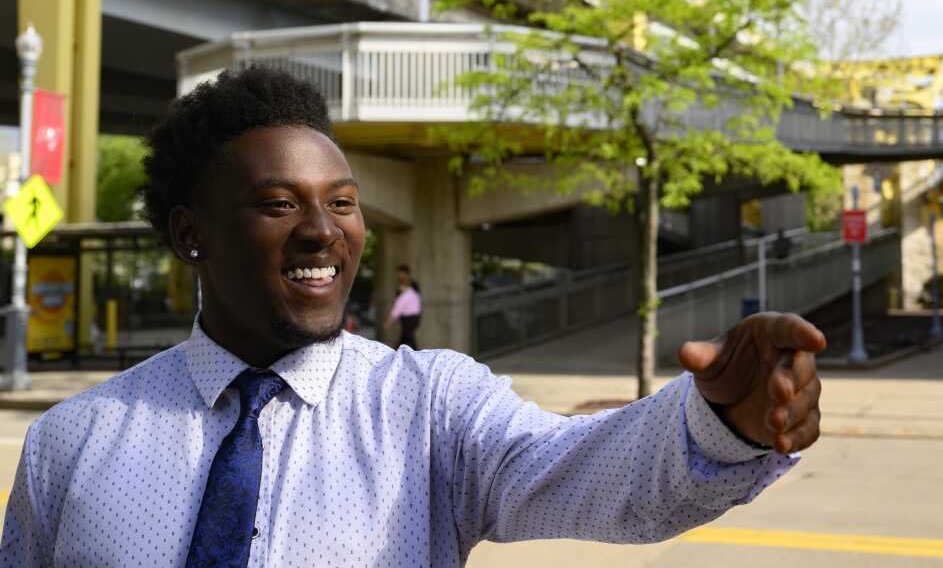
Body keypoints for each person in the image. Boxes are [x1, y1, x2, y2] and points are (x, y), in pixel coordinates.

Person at [0, 67, 825, 567]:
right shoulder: (72, 441)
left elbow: (589, 473)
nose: (325, 230)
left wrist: (721, 423)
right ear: (191, 234)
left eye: (345, 203)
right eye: (280, 203)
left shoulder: (428, 406)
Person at [385, 263, 421, 350]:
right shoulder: (410, 288)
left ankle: (416, 355)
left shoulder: (409, 288)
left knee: (408, 338)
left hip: (410, 318)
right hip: (412, 317)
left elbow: (398, 307)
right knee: (406, 338)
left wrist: (389, 321)